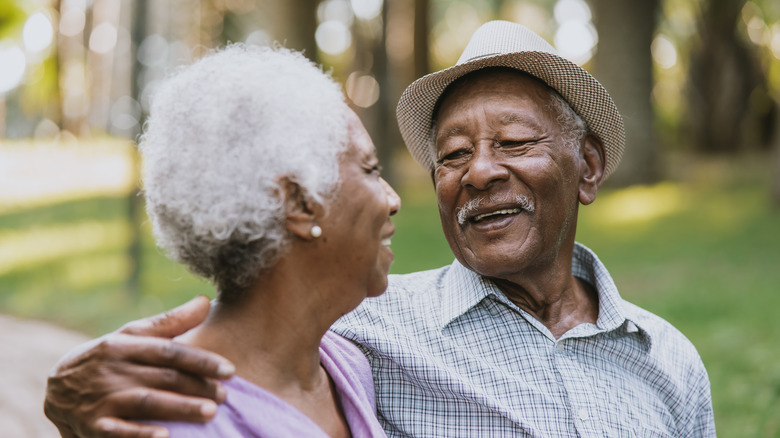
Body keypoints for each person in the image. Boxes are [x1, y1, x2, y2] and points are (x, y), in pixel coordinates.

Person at [44, 21, 716, 437]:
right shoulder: (368, 334)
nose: (478, 173)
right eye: (451, 155)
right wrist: (76, 388)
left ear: (588, 168)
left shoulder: (671, 360)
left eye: (513, 142)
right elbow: (252, 318)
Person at [57, 44, 399, 437]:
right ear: (300, 203)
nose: (393, 200)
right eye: (370, 170)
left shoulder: (346, 366)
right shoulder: (179, 416)